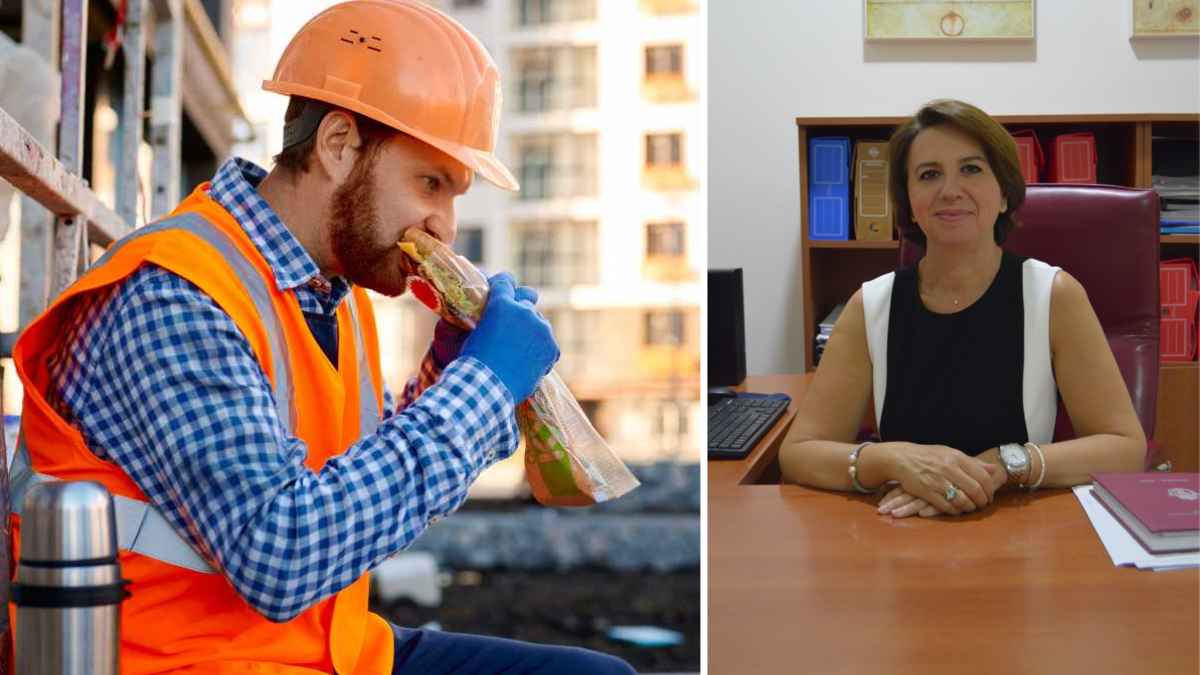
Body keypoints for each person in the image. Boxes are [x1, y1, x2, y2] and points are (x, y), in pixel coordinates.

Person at [8, 1, 634, 673]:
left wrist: (448, 380)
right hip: (188, 661)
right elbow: (283, 553)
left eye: (455, 194)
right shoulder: (175, 295)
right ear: (339, 145)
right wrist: (481, 389)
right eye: (431, 182)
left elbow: (355, 506)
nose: (445, 224)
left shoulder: (331, 294)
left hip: (316, 652)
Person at [779, 99, 1146, 518]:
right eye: (929, 174)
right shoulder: (872, 305)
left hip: (1020, 532)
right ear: (909, 201)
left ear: (1004, 193)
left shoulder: (1053, 295)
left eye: (971, 169)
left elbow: (1124, 447)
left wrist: (1004, 466)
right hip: (900, 536)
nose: (950, 190)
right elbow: (799, 453)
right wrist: (894, 460)